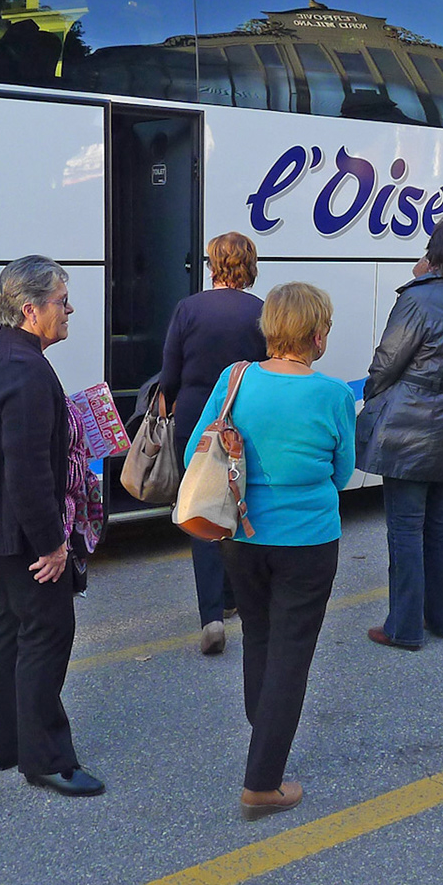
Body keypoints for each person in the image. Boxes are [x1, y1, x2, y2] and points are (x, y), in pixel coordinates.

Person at [183, 282, 356, 818]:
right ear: (318, 335)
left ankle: (267, 733)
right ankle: (263, 781)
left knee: (259, 636)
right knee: (292, 653)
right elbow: (343, 472)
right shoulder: (333, 395)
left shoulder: (236, 379)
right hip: (308, 540)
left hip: (242, 535)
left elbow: (196, 449)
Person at [0, 255, 104, 796]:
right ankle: (47, 759)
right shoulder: (26, 368)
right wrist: (53, 543)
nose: (70, 310)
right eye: (62, 301)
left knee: (11, 624)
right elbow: (26, 469)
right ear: (30, 308)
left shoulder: (0, 353)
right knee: (46, 631)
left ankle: (9, 743)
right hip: (19, 531)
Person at [358, 217, 443, 650]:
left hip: (411, 429)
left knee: (405, 526)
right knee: (440, 521)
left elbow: (386, 362)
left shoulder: (418, 299)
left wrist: (375, 395)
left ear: (433, 252)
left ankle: (404, 626)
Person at [159, 231, 268, 655]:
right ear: (250, 265)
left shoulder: (189, 308)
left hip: (195, 420)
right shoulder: (262, 311)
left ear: (211, 265)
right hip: (244, 419)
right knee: (238, 504)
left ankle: (211, 616)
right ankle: (233, 596)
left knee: (202, 508)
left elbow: (170, 372)